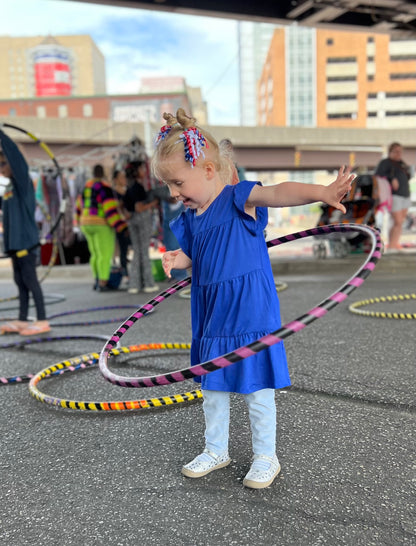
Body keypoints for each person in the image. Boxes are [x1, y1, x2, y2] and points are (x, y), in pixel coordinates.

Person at [152, 109, 354, 489]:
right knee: (212, 386)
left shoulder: (237, 197)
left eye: (178, 182)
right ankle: (217, 449)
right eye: (168, 186)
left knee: (256, 388)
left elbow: (278, 192)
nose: (173, 194)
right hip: (212, 314)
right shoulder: (192, 217)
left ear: (209, 170)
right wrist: (178, 259)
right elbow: (196, 256)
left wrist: (322, 193)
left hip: (249, 310)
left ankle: (266, 456)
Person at [0, 128, 51, 335]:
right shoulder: (8, 187)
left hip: (26, 242)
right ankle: (22, 319)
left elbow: (15, 157)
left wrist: (1, 136)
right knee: (19, 281)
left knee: (30, 281)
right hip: (14, 244)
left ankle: (42, 320)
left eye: (3, 163)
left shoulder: (22, 183)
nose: (1, 167)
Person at [75, 164, 128, 292]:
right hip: (100, 223)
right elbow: (109, 209)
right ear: (103, 173)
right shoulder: (104, 188)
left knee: (94, 254)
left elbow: (78, 206)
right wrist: (121, 227)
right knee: (105, 254)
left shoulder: (85, 187)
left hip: (85, 222)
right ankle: (103, 283)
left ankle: (97, 280)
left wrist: (78, 221)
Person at [123, 160, 159, 294]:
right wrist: (153, 203)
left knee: (137, 252)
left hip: (132, 221)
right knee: (143, 251)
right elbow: (139, 207)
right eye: (142, 169)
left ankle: (134, 284)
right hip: (142, 220)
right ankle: (148, 283)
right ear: (136, 172)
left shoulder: (128, 188)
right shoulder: (138, 187)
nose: (144, 171)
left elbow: (125, 208)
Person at [375, 142, 412, 252]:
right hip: (394, 196)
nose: (398, 153)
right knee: (397, 221)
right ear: (390, 152)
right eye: (396, 151)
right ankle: (391, 246)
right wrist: (391, 178)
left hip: (405, 195)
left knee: (400, 222)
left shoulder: (402, 163)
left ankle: (394, 244)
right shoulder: (385, 162)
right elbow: (378, 174)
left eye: (400, 151)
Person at [112, 169, 131, 280]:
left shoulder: (127, 190)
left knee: (127, 247)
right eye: (121, 177)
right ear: (116, 180)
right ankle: (125, 273)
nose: (124, 179)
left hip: (130, 222)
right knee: (123, 248)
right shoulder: (114, 193)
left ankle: (127, 271)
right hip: (120, 224)